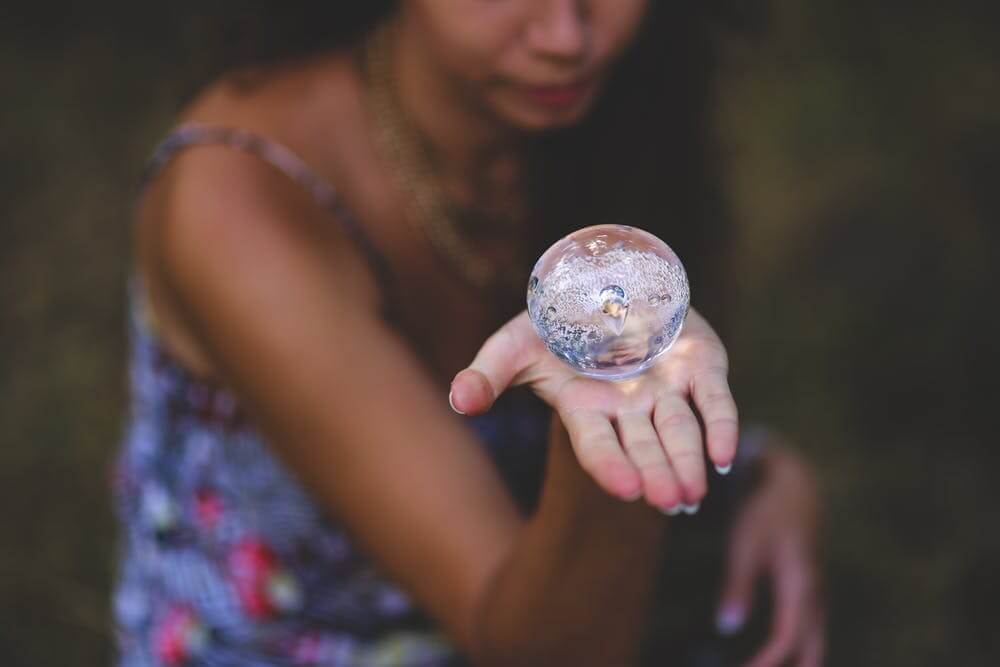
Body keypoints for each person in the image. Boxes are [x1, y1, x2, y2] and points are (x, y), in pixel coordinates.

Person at [112, 1, 823, 665]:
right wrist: (617, 427)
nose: (567, 38)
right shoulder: (243, 202)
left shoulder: (613, 111)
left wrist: (757, 473)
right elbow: (540, 651)